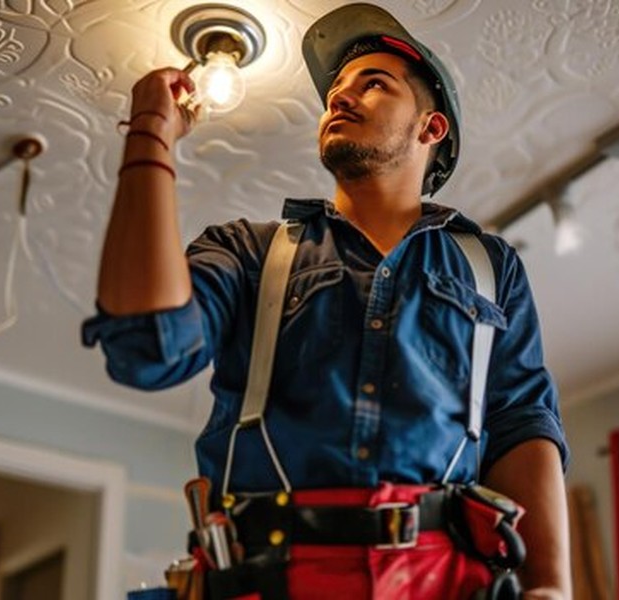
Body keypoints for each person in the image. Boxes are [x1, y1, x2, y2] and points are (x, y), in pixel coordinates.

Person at [83, 4, 570, 599]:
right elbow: (148, 348)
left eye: (373, 84)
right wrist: (150, 130)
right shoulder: (247, 251)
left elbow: (521, 422)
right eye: (336, 89)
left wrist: (549, 587)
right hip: (265, 578)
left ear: (430, 128)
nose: (339, 98)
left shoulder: (490, 269)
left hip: (443, 583)